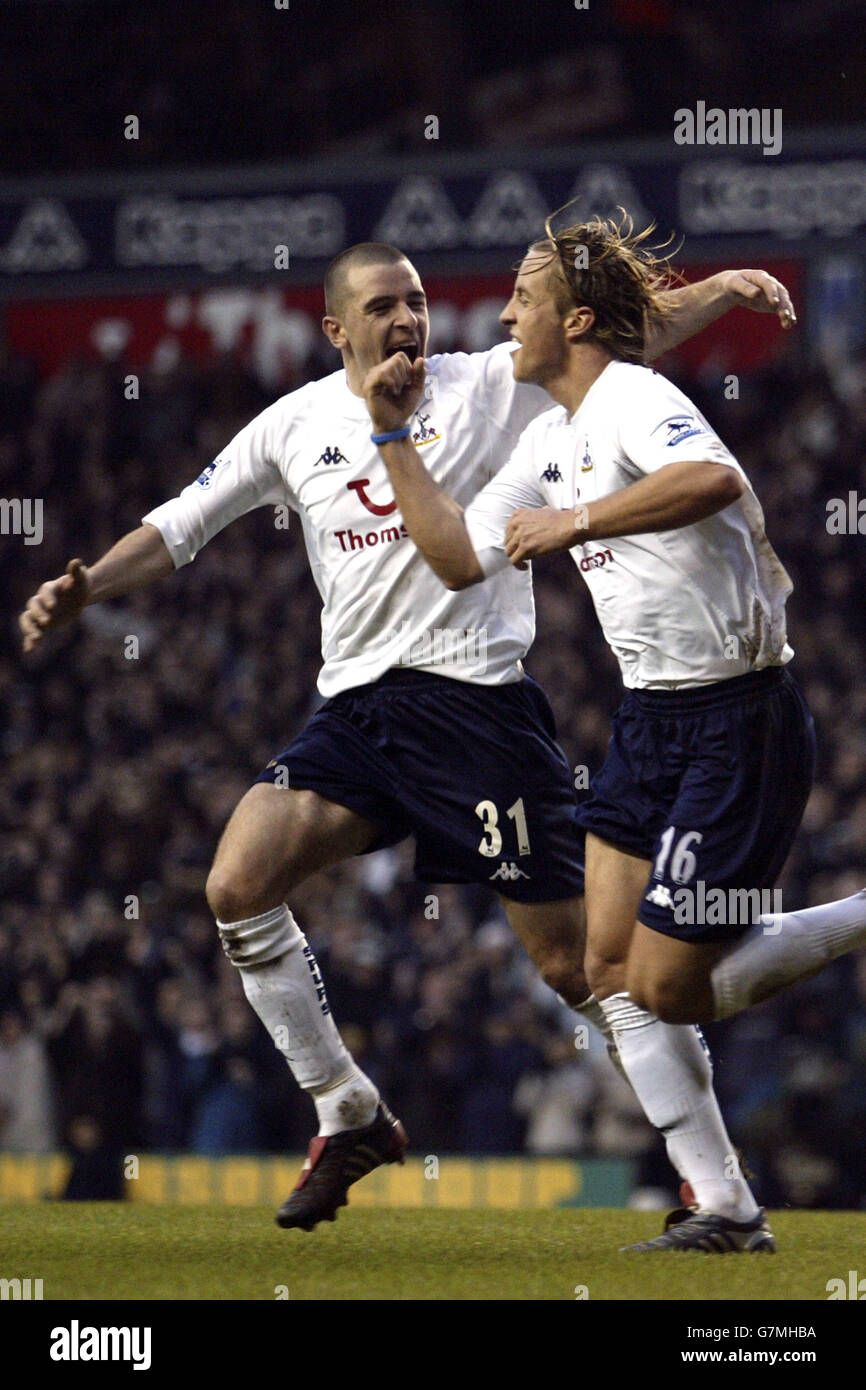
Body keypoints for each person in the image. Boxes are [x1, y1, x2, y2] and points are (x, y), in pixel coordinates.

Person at [19, 239, 797, 1236]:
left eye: (418, 302)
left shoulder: (486, 385)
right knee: (236, 883)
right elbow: (180, 526)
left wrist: (721, 293)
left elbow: (604, 333)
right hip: (356, 715)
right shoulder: (294, 424)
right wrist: (88, 586)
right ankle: (346, 1108)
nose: (408, 322)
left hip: (477, 711)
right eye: (384, 306)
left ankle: (711, 1182)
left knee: (576, 969)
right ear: (337, 328)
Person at [359, 215, 866, 1251]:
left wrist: (576, 525)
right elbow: (458, 554)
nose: (503, 315)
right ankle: (721, 1206)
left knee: (668, 985)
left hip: (736, 717)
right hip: (648, 719)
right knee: (601, 972)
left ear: (574, 320)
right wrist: (390, 438)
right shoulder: (547, 439)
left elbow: (714, 480)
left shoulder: (635, 399)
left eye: (522, 298)